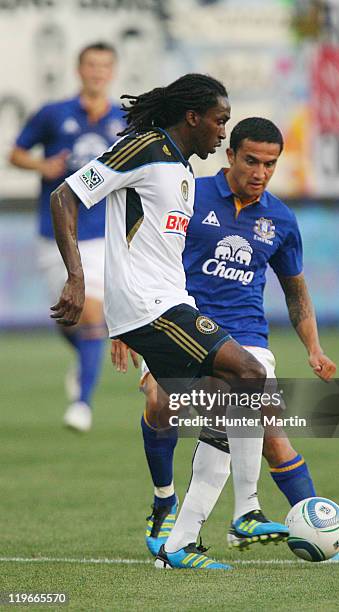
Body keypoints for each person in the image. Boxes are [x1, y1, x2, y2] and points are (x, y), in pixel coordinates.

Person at [49, 74, 291, 570]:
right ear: (193, 117)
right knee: (250, 375)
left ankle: (179, 524)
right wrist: (77, 278)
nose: (224, 133)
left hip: (165, 304)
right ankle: (224, 519)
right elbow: (65, 196)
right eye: (221, 121)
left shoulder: (179, 170)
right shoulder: (143, 148)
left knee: (226, 395)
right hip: (150, 307)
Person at [112, 117, 338, 559]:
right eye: (251, 160)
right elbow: (138, 253)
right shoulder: (188, 194)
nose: (260, 172)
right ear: (230, 155)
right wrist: (125, 325)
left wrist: (313, 346)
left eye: (270, 164)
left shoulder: (280, 219)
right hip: (177, 324)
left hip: (247, 337)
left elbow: (296, 290)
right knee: (161, 402)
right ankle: (167, 500)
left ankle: (313, 530)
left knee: (268, 432)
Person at [9, 42, 124, 432]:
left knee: (90, 312)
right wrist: (41, 164)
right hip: (54, 233)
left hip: (98, 234)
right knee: (67, 317)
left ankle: (82, 404)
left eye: (104, 66)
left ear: (112, 72)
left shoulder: (124, 120)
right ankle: (85, 360)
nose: (97, 72)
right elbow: (16, 153)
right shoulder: (53, 114)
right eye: (91, 64)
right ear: (79, 70)